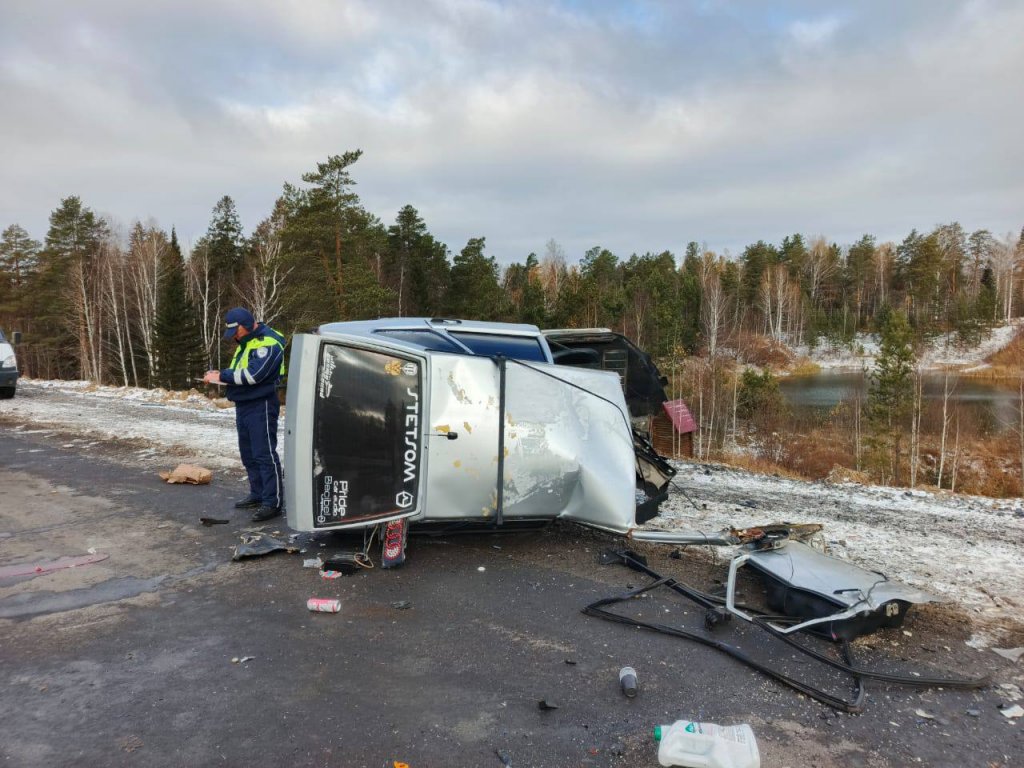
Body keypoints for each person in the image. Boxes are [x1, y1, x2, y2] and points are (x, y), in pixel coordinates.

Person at [204, 307, 287, 522]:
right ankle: (258, 494)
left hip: (261, 404)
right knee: (248, 453)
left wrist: (222, 375)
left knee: (264, 454)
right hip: (244, 403)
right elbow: (241, 371)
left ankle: (272, 502)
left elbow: (254, 375)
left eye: (236, 332)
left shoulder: (268, 343)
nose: (235, 337)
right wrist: (221, 377)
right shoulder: (248, 341)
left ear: (246, 325)